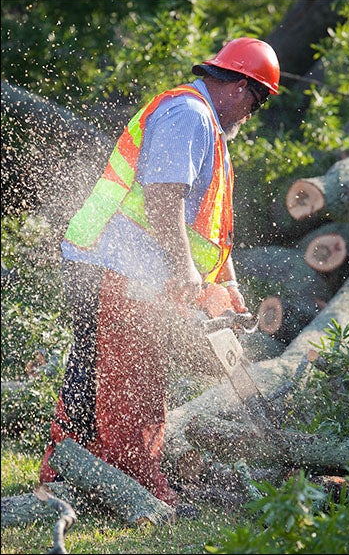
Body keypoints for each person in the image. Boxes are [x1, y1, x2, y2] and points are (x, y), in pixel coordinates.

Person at [39, 37, 280, 511]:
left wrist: (226, 288)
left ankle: (71, 476)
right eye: (257, 99)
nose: (253, 111)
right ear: (238, 85)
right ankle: (136, 488)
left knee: (95, 372)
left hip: (122, 266)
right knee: (132, 379)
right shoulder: (188, 114)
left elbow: (207, 228)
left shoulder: (208, 128)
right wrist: (185, 271)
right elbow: (163, 198)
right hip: (115, 264)